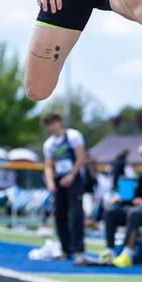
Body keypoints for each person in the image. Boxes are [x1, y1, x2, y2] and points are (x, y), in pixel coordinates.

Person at [42, 112, 88, 262]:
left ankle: (78, 250)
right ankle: (65, 249)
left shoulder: (73, 136)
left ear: (59, 122)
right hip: (59, 180)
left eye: (54, 123)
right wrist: (50, 182)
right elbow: (48, 165)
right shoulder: (49, 144)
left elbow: (81, 157)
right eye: (49, 124)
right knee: (60, 215)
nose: (52, 127)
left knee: (76, 214)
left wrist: (71, 175)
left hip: (74, 178)